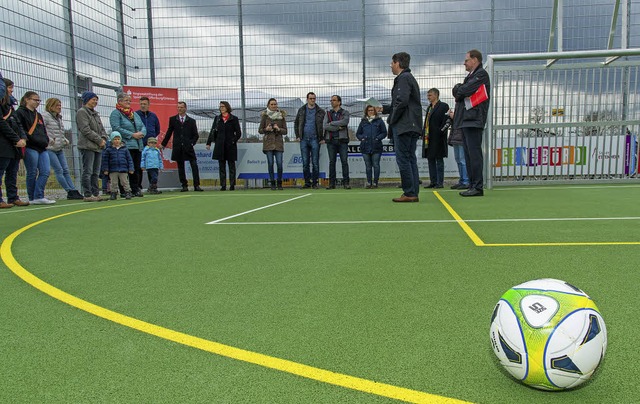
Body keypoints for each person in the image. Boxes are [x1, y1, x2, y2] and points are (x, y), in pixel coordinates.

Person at [383, 52, 422, 202]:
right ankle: (413, 192)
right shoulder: (409, 78)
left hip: (404, 125)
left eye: (392, 63)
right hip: (411, 124)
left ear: (398, 63)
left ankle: (409, 192)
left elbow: (401, 102)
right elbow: (401, 103)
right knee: (410, 158)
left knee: (403, 159)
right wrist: (384, 109)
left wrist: (391, 119)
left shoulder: (403, 78)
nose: (391, 66)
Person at [452, 49, 490, 197]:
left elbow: (463, 91)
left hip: (474, 120)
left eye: (467, 60)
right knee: (468, 154)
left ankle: (477, 186)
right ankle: (472, 184)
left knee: (474, 154)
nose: (464, 63)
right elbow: (461, 92)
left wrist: (459, 90)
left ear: (475, 60)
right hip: (467, 120)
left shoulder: (481, 75)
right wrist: (459, 90)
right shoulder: (471, 76)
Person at [15, 91, 55, 205]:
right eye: (35, 100)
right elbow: (21, 129)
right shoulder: (20, 113)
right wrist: (31, 140)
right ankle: (32, 197)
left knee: (45, 171)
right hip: (30, 146)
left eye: (39, 100)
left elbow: (42, 130)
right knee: (32, 172)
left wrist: (46, 140)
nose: (37, 102)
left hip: (42, 147)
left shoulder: (39, 115)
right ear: (27, 99)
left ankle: (39, 195)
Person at [42, 98, 83, 200]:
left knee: (65, 170)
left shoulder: (58, 118)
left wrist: (64, 139)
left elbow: (59, 132)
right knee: (59, 170)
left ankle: (73, 190)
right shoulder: (45, 116)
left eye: (60, 105)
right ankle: (68, 190)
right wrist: (49, 139)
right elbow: (42, 130)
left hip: (59, 148)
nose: (59, 107)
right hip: (50, 148)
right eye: (57, 105)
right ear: (50, 106)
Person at [161, 101, 203, 192]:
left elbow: (195, 135)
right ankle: (184, 185)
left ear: (185, 108)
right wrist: (163, 144)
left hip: (188, 147)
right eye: (178, 107)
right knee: (181, 167)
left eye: (181, 107)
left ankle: (197, 185)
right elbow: (169, 132)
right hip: (178, 147)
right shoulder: (173, 119)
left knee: (194, 165)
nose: (179, 109)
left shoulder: (191, 121)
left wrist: (191, 143)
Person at [110, 93, 146, 197]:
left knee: (135, 168)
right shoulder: (116, 113)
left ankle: (135, 188)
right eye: (126, 101)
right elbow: (116, 128)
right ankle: (124, 190)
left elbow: (142, 126)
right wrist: (132, 135)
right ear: (119, 101)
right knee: (124, 169)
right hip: (125, 146)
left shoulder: (134, 114)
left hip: (137, 145)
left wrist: (141, 133)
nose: (129, 103)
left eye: (130, 101)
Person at [0, 78, 29, 207]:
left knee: (12, 172)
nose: (11, 90)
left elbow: (18, 124)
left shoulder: (11, 106)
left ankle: (13, 197)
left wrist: (23, 138)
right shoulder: (1, 105)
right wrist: (16, 138)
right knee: (1, 171)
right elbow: (2, 124)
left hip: (15, 145)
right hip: (4, 143)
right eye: (9, 87)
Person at [76, 91, 108, 202]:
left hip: (97, 147)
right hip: (87, 146)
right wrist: (99, 140)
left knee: (95, 172)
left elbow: (102, 129)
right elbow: (85, 129)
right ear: (86, 100)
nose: (95, 101)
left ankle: (96, 193)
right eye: (93, 99)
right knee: (88, 170)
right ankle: (88, 194)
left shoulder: (95, 114)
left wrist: (104, 138)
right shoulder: (82, 112)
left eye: (96, 99)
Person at [206, 101, 241, 191]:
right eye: (220, 106)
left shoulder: (234, 118)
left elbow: (238, 133)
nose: (221, 108)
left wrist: (233, 141)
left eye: (223, 106)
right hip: (220, 145)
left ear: (227, 107)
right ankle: (223, 185)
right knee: (221, 166)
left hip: (230, 146)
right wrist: (209, 142)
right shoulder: (217, 118)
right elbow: (213, 130)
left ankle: (232, 185)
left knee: (231, 165)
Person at [294, 92, 324, 189]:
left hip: (315, 139)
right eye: (310, 98)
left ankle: (315, 183)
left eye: (314, 98)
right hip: (303, 139)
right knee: (305, 163)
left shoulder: (320, 111)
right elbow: (296, 123)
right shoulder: (302, 110)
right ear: (307, 99)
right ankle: (307, 182)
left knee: (315, 162)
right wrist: (298, 135)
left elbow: (324, 125)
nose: (312, 100)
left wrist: (322, 138)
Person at [422, 88, 449, 189]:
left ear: (436, 95)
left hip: (439, 138)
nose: (428, 98)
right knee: (430, 159)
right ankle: (433, 181)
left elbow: (447, 121)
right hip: (428, 138)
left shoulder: (443, 106)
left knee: (439, 159)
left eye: (430, 95)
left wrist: (440, 131)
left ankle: (440, 182)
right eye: (428, 95)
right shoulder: (429, 107)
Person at [258, 98, 287, 190]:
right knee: (270, 164)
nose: (274, 106)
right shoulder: (265, 116)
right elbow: (260, 130)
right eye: (272, 104)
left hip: (278, 143)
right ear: (268, 105)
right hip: (268, 144)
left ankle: (279, 182)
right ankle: (272, 182)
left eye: (275, 104)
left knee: (279, 164)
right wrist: (266, 129)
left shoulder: (281, 116)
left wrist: (278, 129)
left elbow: (285, 131)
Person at [323, 95, 351, 189]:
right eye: (331, 100)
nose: (332, 102)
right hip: (331, 141)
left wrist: (332, 123)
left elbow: (345, 122)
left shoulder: (345, 112)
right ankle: (331, 183)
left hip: (342, 140)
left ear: (339, 102)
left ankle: (346, 183)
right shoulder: (328, 113)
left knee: (344, 161)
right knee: (332, 162)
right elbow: (325, 126)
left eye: (334, 100)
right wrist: (337, 128)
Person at [356, 104, 387, 188]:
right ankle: (369, 182)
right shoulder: (363, 121)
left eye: (372, 110)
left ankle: (375, 182)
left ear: (375, 111)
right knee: (368, 166)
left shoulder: (379, 121)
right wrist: (362, 138)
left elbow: (384, 132)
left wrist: (378, 138)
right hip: (365, 147)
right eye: (369, 110)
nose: (370, 112)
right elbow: (358, 133)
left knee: (376, 164)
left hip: (376, 147)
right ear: (366, 111)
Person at [136, 96, 161, 191]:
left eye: (145, 104)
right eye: (141, 104)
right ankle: (138, 186)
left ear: (149, 105)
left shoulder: (153, 116)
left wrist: (152, 139)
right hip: (140, 144)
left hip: (151, 146)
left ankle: (153, 186)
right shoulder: (136, 115)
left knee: (152, 167)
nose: (143, 106)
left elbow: (157, 129)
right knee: (139, 166)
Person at [101, 131, 134, 200]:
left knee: (125, 182)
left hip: (123, 169)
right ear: (111, 140)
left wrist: (131, 168)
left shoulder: (125, 149)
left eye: (118, 139)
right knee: (113, 182)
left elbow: (129, 159)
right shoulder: (108, 150)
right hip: (113, 169)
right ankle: (113, 193)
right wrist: (105, 169)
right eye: (115, 139)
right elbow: (105, 160)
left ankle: (128, 192)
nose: (117, 141)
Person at [447, 109, 469, 189]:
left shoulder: (464, 106)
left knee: (462, 160)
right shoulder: (459, 106)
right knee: (458, 159)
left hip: (461, 136)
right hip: (456, 136)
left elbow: (462, 119)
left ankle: (466, 181)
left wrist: (454, 116)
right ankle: (462, 180)